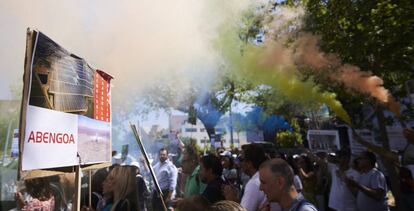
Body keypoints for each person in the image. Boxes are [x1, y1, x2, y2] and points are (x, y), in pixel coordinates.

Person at [224, 144, 272, 211]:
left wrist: (231, 200)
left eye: (241, 159)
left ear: (249, 163)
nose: (239, 163)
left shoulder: (253, 184)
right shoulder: (261, 178)